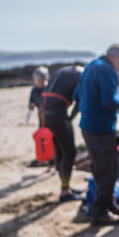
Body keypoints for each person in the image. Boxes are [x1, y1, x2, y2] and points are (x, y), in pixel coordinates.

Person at [75, 44, 119, 226]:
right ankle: (100, 211)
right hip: (100, 127)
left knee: (100, 167)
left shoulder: (91, 65)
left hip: (87, 125)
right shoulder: (107, 70)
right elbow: (108, 100)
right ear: (117, 58)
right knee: (107, 169)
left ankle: (109, 204)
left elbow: (77, 94)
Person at [43, 65, 84, 202]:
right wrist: (70, 118)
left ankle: (65, 187)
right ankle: (65, 192)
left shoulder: (62, 71)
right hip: (58, 113)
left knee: (60, 150)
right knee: (70, 151)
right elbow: (79, 100)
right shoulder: (82, 74)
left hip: (45, 112)